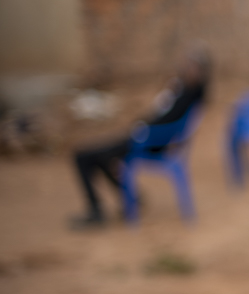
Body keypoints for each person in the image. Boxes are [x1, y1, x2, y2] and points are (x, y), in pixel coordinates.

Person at [70, 46, 210, 228]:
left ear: (200, 72)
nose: (186, 68)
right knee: (100, 157)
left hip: (147, 141)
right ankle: (129, 198)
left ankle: (101, 208)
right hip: (146, 138)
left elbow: (165, 119)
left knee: (83, 157)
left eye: (191, 66)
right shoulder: (183, 91)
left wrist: (142, 128)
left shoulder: (188, 95)